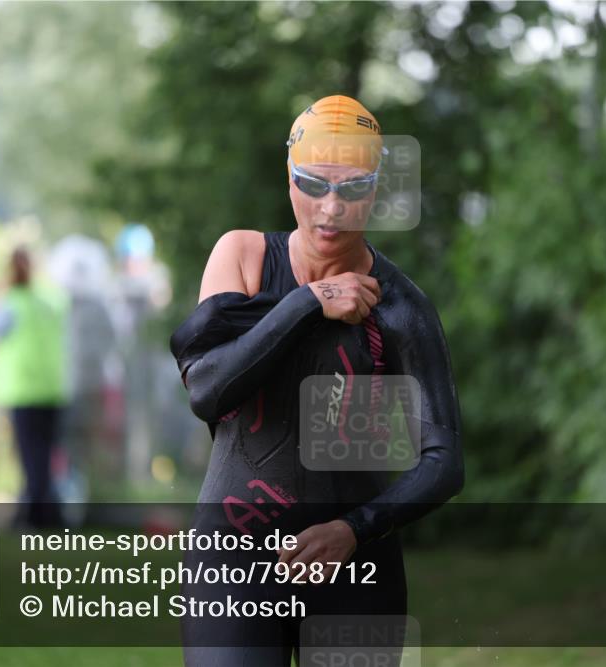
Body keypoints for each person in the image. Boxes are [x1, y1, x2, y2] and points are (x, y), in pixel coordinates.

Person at [170, 94, 464, 666]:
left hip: (356, 564)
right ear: (289, 178)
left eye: (353, 189)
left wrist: (354, 530)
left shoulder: (402, 307)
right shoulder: (246, 258)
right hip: (232, 559)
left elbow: (444, 462)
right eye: (313, 184)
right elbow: (207, 391)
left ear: (375, 191)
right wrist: (307, 302)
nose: (331, 208)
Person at [0, 246, 68, 528]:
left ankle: (36, 516)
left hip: (22, 390)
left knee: (29, 456)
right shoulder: (53, 298)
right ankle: (44, 513)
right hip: (52, 388)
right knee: (45, 456)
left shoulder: (11, 301)